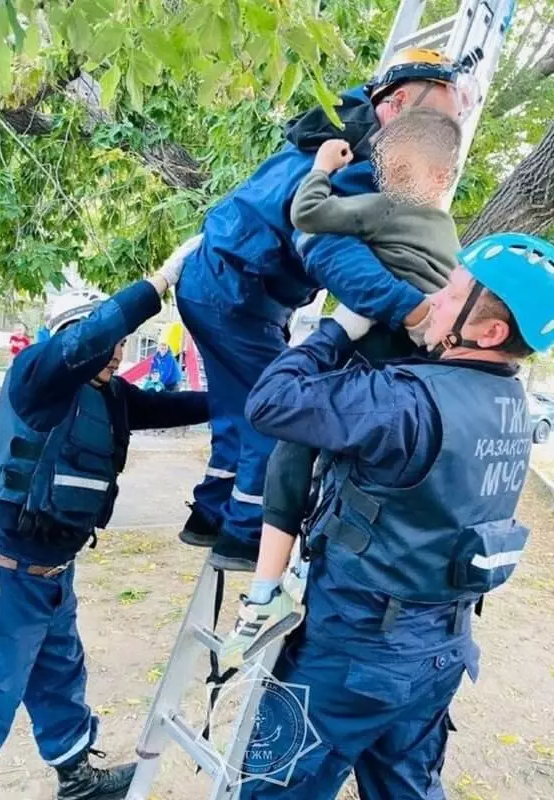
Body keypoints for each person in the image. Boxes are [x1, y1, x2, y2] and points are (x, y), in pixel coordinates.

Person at [234, 233, 554, 798]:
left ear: (490, 331)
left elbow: (271, 402)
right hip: (440, 652)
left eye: (452, 297)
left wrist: (337, 330)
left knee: (271, 789)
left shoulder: (406, 400)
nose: (434, 304)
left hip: (353, 654)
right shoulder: (513, 409)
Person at [173, 48, 478, 571]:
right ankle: (245, 537)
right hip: (237, 291)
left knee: (235, 407)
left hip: (221, 280)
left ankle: (209, 515)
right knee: (278, 409)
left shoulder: (336, 127)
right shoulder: (368, 160)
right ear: (398, 103)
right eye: (439, 123)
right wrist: (412, 311)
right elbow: (326, 246)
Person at [0, 239, 210, 800]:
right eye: (105, 341)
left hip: (52, 577)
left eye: (117, 345)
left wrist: (240, 398)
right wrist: (160, 281)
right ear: (70, 339)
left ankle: (77, 780)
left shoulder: (111, 395)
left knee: (61, 683)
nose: (113, 353)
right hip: (3, 576)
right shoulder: (37, 375)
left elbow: (173, 408)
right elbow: (85, 342)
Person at [221, 106, 464, 657]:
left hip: (372, 339)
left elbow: (305, 214)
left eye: (392, 170)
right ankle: (314, 565)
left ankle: (265, 593)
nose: (391, 181)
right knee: (351, 453)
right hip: (414, 366)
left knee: (293, 436)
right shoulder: (449, 235)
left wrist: (324, 167)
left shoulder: (383, 207)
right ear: (446, 177)